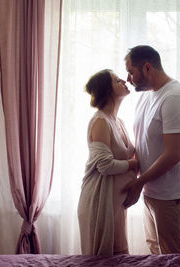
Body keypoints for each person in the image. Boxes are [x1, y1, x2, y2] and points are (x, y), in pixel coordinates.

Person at [122, 45, 180, 254]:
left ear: (148, 67)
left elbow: (174, 155)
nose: (128, 79)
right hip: (152, 189)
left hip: (172, 193)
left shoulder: (173, 97)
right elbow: (143, 142)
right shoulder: (147, 96)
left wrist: (139, 182)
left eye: (131, 72)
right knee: (155, 251)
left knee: (172, 257)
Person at [77, 69, 139, 256]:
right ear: (107, 90)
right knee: (105, 258)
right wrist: (132, 165)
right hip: (100, 199)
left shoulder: (118, 121)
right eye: (116, 80)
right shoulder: (100, 121)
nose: (124, 81)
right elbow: (105, 165)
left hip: (116, 201)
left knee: (119, 255)